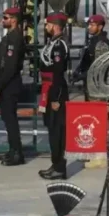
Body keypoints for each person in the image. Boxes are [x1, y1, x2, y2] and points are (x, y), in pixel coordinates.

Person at [0, 7, 26, 166]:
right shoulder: (10, 36)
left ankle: (17, 153)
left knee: (11, 120)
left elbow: (11, 67)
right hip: (6, 83)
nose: (3, 20)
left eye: (6, 18)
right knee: (7, 118)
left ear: (14, 20)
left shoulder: (15, 38)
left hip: (9, 85)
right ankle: (12, 150)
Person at [39, 13, 70, 180]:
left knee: (58, 131)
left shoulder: (59, 45)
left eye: (48, 24)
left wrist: (57, 98)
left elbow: (58, 73)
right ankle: (55, 163)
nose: (46, 27)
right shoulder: (52, 43)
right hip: (48, 89)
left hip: (56, 90)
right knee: (51, 129)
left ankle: (60, 167)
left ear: (55, 25)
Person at [72, 14, 109, 100]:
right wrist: (78, 70)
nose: (89, 27)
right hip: (89, 84)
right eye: (89, 25)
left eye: (92, 25)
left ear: (100, 27)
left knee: (95, 111)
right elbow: (85, 59)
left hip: (97, 86)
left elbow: (99, 67)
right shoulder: (92, 40)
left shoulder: (102, 43)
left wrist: (82, 76)